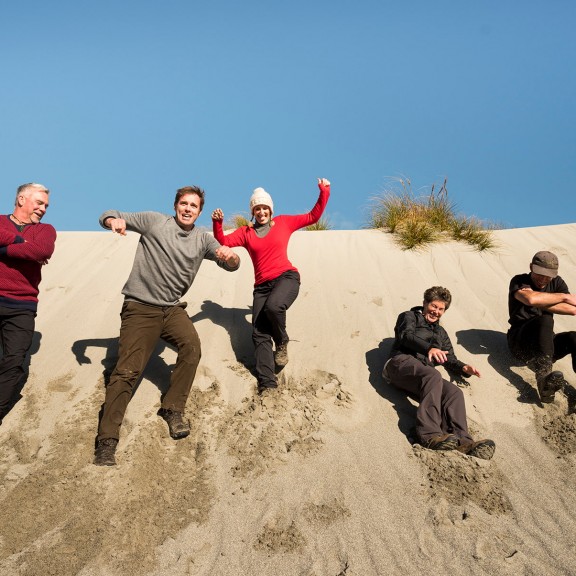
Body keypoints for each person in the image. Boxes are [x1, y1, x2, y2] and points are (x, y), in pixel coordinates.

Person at [94, 185, 240, 466]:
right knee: (127, 372)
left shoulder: (202, 239)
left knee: (191, 347)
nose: (187, 209)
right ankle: (107, 441)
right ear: (175, 206)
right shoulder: (154, 221)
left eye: (193, 206)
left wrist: (230, 257)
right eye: (184, 204)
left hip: (171, 309)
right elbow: (107, 214)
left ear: (199, 212)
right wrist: (114, 221)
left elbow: (232, 263)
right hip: (140, 308)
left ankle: (173, 408)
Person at [211, 178, 330, 392]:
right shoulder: (246, 233)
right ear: (253, 211)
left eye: (264, 207)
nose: (261, 212)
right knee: (259, 333)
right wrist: (217, 223)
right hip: (261, 287)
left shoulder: (284, 222)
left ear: (271, 209)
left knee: (274, 307)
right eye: (257, 208)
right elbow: (224, 241)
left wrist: (324, 191)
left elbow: (314, 216)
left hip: (286, 278)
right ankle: (268, 384)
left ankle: (282, 342)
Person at [383, 286, 495, 460]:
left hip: (424, 376)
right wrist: (429, 348)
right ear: (425, 303)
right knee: (433, 375)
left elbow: (448, 357)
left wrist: (464, 368)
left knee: (453, 393)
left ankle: (462, 441)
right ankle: (428, 435)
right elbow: (405, 336)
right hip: (399, 364)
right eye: (433, 306)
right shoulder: (409, 316)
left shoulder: (441, 332)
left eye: (441, 309)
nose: (436, 311)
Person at [0, 183, 56, 424]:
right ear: (21, 199)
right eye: (39, 203)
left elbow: (41, 251)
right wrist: (21, 243)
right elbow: (29, 250)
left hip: (22, 306)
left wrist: (3, 249)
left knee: (13, 362)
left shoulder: (46, 230)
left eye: (46, 205)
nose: (43, 209)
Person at [507, 251, 576, 403]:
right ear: (531, 267)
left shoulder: (557, 283)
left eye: (548, 275)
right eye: (540, 274)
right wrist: (563, 297)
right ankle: (543, 378)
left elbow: (572, 309)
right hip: (520, 342)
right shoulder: (519, 281)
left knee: (574, 337)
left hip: (545, 346)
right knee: (545, 320)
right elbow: (530, 299)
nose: (543, 279)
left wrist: (540, 300)